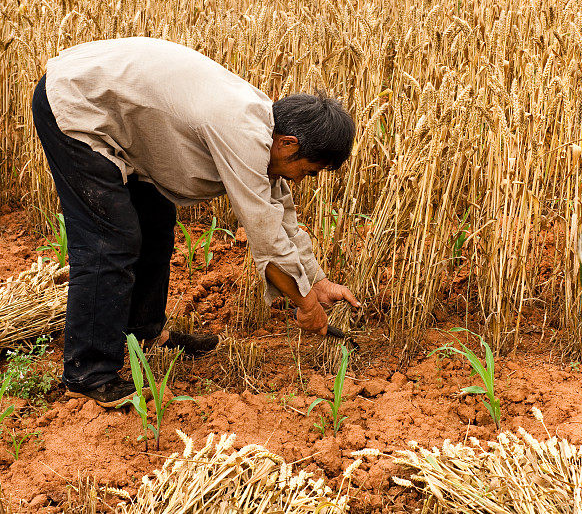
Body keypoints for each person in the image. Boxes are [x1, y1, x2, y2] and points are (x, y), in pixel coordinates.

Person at [30, 37, 360, 408]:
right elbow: (265, 239)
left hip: (122, 114)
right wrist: (305, 304)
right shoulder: (243, 134)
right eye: (309, 170)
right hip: (78, 103)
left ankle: (144, 333)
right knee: (111, 241)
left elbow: (279, 213)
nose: (301, 180)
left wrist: (318, 281)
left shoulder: (266, 128)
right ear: (288, 143)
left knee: (155, 224)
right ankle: (88, 372)